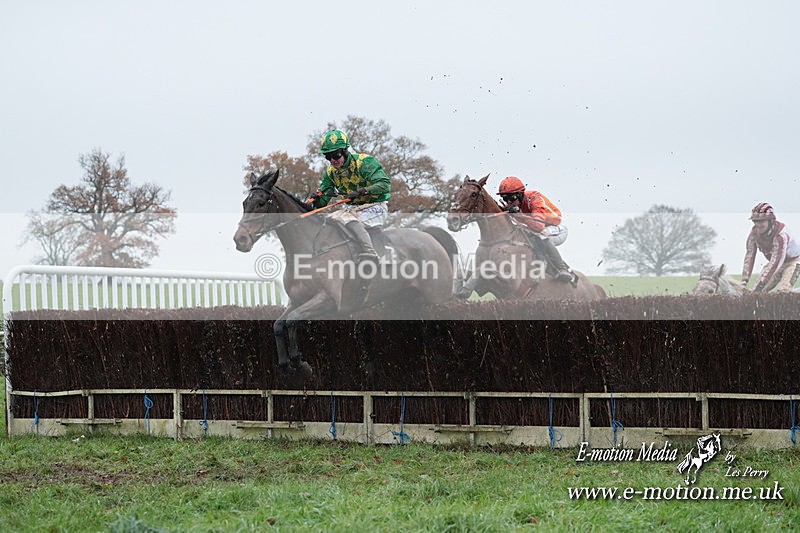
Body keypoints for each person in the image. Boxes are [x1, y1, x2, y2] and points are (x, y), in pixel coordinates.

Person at [306, 129, 391, 262]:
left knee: (345, 217)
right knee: (329, 219)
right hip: (353, 210)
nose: (333, 160)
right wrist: (316, 200)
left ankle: (371, 253)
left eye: (336, 155)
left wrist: (363, 191)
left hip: (377, 207)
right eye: (328, 157)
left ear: (345, 151)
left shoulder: (365, 162)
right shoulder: (330, 173)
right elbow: (323, 202)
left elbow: (385, 184)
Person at [497, 176, 574, 283]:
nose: (509, 202)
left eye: (512, 198)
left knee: (541, 235)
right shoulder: (514, 203)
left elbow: (538, 226)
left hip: (555, 228)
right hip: (535, 227)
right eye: (506, 198)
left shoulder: (535, 199)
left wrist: (520, 214)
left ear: (520, 194)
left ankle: (562, 268)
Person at [741, 202, 800, 292]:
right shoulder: (754, 233)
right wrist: (744, 279)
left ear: (770, 220)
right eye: (755, 221)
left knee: (783, 291)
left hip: (793, 262)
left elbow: (777, 260)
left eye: (761, 221)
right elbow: (750, 255)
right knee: (755, 293)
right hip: (775, 262)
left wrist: (762, 284)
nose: (758, 225)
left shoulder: (781, 235)